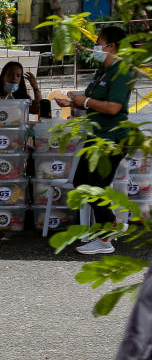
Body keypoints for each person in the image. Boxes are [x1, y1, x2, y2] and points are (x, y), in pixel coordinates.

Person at [56, 26, 133, 255]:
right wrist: (73, 102)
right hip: (95, 137)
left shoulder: (122, 71)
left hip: (111, 138)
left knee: (95, 187)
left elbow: (114, 107)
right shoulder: (103, 71)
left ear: (112, 46)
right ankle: (111, 225)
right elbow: (93, 98)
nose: (95, 48)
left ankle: (105, 238)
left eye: (99, 43)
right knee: (81, 183)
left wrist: (86, 102)